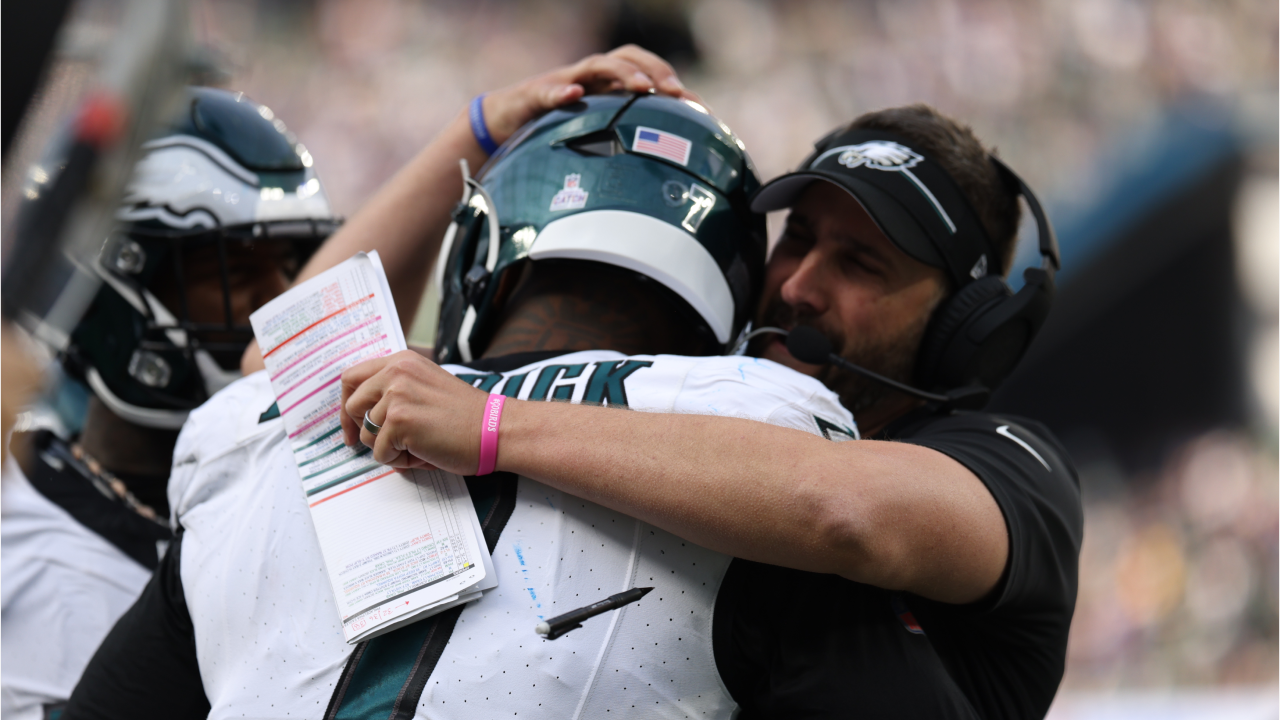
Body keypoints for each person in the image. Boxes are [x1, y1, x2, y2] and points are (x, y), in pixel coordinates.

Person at [65, 52, 857, 718]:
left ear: (479, 249)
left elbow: (281, 346)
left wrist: (475, 129)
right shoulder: (760, 431)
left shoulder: (268, 414)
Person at [340, 65, 1083, 718]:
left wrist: (494, 423)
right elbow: (279, 369)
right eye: (798, 238)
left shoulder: (1013, 470)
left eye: (860, 263)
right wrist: (479, 130)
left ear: (962, 324)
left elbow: (843, 509)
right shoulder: (676, 403)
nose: (797, 285)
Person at [0, 86, 336, 719]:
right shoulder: (27, 551)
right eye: (240, 272)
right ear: (116, 287)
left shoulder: (253, 495)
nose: (282, 297)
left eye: (288, 265)